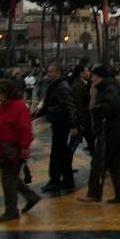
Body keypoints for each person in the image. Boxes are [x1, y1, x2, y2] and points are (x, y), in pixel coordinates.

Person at [78, 65, 120, 204]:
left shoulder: (109, 89)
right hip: (116, 132)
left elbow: (111, 107)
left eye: (94, 76)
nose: (92, 78)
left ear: (100, 76)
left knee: (98, 162)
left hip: (111, 132)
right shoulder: (109, 87)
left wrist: (96, 108)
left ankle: (94, 194)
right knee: (116, 164)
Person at [0, 79, 40, 222]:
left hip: (12, 149)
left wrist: (24, 147)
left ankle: (11, 211)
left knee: (8, 181)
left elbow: (25, 129)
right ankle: (31, 197)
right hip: (3, 149)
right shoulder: (2, 107)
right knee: (11, 179)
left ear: (7, 93)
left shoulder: (18, 107)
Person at [33, 63, 77, 193]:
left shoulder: (61, 87)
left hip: (61, 124)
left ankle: (56, 181)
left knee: (58, 154)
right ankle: (65, 180)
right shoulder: (55, 85)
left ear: (58, 72)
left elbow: (69, 106)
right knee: (61, 154)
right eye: (48, 71)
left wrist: (73, 124)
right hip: (58, 122)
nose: (48, 74)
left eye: (51, 71)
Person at [69, 63, 93, 156]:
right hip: (82, 122)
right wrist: (81, 123)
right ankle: (65, 166)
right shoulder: (77, 87)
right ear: (81, 73)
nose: (89, 72)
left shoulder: (83, 84)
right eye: (87, 70)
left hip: (84, 121)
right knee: (73, 144)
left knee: (91, 143)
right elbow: (78, 106)